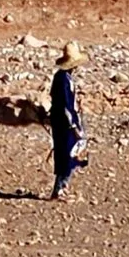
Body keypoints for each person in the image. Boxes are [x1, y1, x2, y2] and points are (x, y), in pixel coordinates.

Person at [49, 42, 87, 199]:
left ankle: (62, 186)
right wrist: (73, 126)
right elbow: (64, 105)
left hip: (63, 121)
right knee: (67, 152)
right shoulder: (63, 79)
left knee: (69, 152)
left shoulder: (64, 77)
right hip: (65, 123)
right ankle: (60, 188)